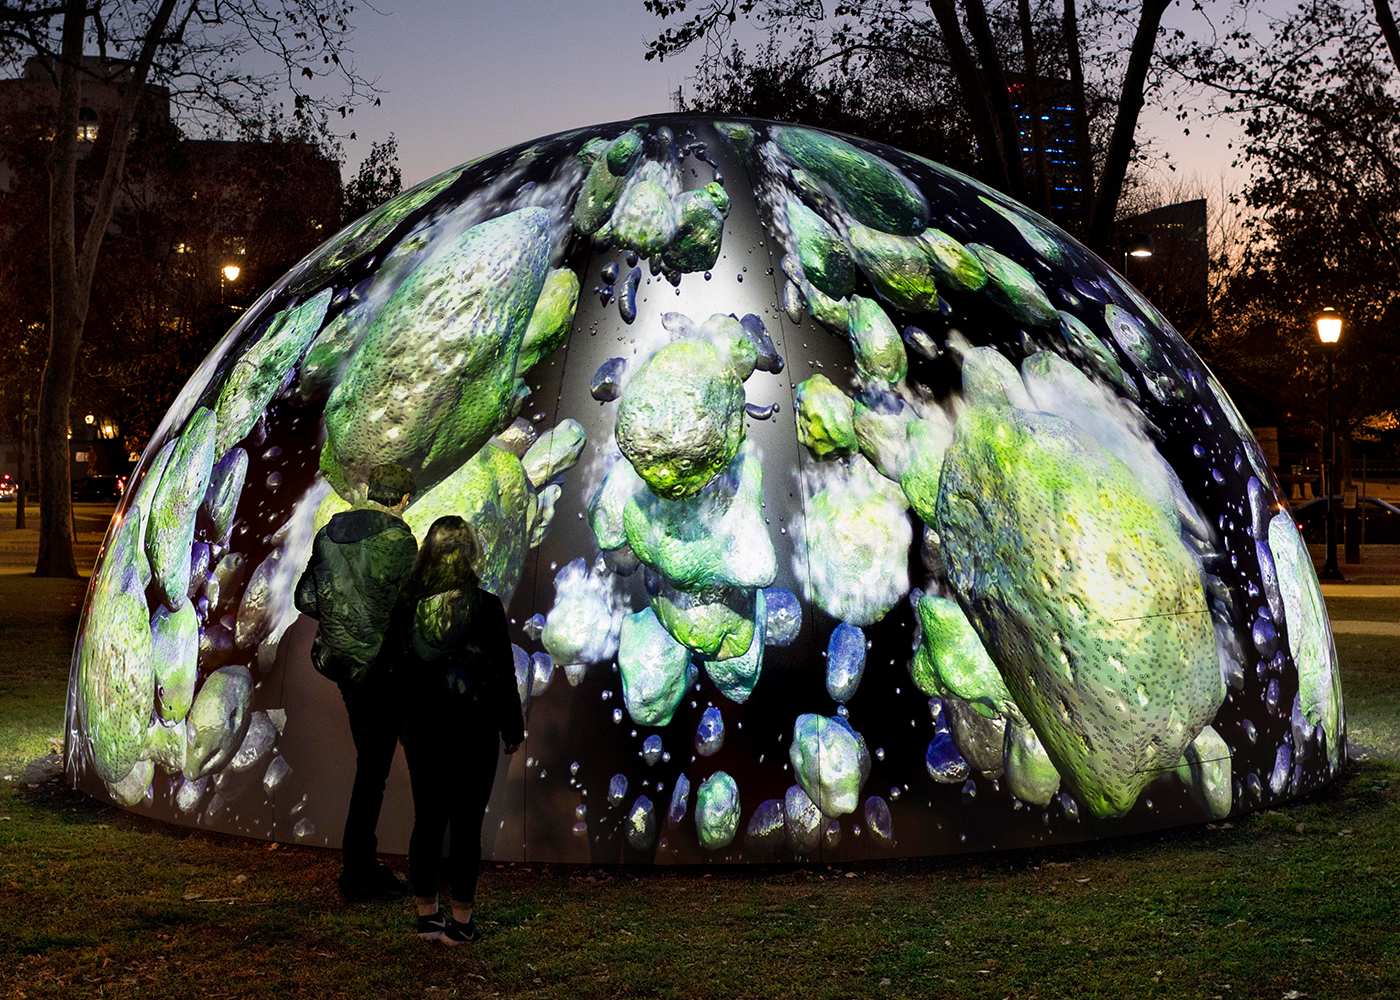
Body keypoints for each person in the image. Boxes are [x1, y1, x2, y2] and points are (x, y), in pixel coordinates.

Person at [388, 515, 524, 945]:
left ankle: (427, 916)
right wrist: (512, 728)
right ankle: (462, 923)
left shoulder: (408, 605)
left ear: (429, 551)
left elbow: (394, 672)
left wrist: (400, 725)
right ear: (470, 554)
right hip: (475, 729)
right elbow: (503, 673)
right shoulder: (487, 606)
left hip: (423, 729)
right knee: (467, 826)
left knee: (426, 819)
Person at [294, 463, 418, 900]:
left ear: (367, 491)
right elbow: (410, 609)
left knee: (371, 767)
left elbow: (305, 597)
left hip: (342, 667)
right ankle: (359, 872)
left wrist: (343, 618)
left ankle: (360, 866)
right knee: (374, 772)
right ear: (403, 500)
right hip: (380, 671)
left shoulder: (328, 535)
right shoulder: (398, 539)